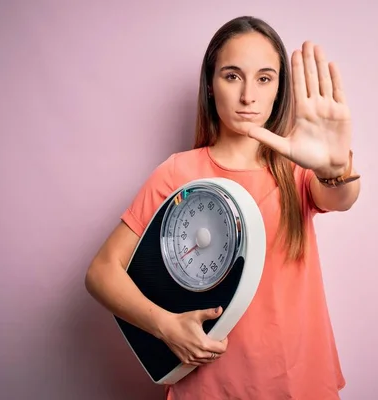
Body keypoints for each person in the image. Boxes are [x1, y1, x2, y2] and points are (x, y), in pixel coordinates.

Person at [85, 15, 361, 400]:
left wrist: (336, 169)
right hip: (210, 386)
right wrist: (166, 326)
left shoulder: (297, 169)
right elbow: (101, 272)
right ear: (211, 87)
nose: (248, 95)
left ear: (279, 89)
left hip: (298, 381)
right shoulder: (178, 172)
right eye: (232, 76)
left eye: (265, 78)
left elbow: (341, 197)